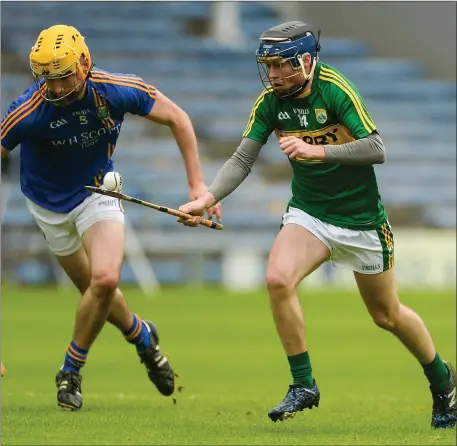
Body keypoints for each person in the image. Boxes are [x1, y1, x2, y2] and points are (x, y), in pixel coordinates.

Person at [177, 21, 456, 428]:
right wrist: (206, 200)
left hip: (362, 221)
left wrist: (316, 152)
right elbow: (241, 160)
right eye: (268, 67)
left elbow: (376, 148)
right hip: (310, 214)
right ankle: (303, 383)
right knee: (277, 280)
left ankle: (442, 379)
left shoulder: (335, 89)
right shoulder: (270, 102)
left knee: (387, 315)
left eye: (280, 66)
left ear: (306, 61)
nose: (272, 75)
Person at [1, 24, 221, 411]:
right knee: (96, 292)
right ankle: (142, 337)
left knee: (104, 280)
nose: (54, 90)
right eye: (47, 81)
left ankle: (71, 370)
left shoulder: (116, 89)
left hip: (97, 192)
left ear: (84, 64)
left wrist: (197, 188)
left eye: (63, 78)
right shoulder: (27, 112)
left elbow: (179, 119)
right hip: (48, 207)